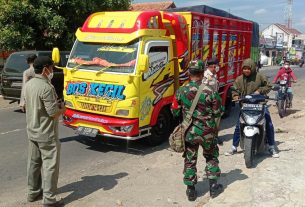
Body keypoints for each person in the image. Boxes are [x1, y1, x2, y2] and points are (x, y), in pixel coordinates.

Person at [171, 60, 224, 201]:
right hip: (208, 132)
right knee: (211, 157)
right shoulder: (210, 91)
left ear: (189, 72)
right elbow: (218, 111)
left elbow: (174, 112)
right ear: (202, 73)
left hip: (189, 132)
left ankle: (191, 191)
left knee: (190, 159)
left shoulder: (181, 91)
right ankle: (213, 187)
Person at [25, 56, 66, 207]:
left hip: (32, 130)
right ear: (45, 69)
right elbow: (53, 112)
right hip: (47, 134)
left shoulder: (29, 84)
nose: (52, 71)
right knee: (50, 166)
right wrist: (63, 109)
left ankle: (33, 193)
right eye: (51, 68)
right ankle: (49, 200)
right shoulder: (46, 87)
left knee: (34, 163)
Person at [225, 58, 279, 158]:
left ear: (253, 68)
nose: (246, 70)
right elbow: (234, 89)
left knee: (269, 124)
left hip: (260, 104)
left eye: (248, 68)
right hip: (245, 105)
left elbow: (269, 86)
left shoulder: (260, 76)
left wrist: (260, 90)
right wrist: (236, 96)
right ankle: (234, 146)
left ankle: (271, 146)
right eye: (244, 68)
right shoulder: (239, 79)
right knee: (238, 126)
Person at [203, 56, 223, 145]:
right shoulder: (205, 76)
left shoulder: (214, 75)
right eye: (217, 66)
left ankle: (215, 137)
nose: (218, 67)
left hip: (215, 102)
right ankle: (209, 138)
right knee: (209, 121)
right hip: (208, 103)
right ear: (213, 66)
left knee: (217, 120)